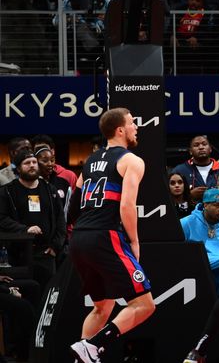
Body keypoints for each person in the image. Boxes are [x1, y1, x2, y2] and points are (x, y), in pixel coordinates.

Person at [67, 108, 156, 363]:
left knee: (102, 306)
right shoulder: (131, 160)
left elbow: (72, 209)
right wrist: (135, 241)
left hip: (80, 239)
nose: (136, 127)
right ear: (120, 130)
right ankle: (93, 346)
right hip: (104, 236)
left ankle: (83, 355)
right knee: (144, 305)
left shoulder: (89, 161)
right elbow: (126, 205)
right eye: (132, 123)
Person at [0, 151, 66, 288]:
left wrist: (55, 246)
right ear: (18, 168)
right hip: (18, 253)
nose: (32, 165)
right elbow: (2, 218)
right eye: (27, 163)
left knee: (47, 294)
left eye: (34, 162)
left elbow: (60, 219)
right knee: (25, 293)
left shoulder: (50, 189)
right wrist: (25, 230)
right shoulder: (7, 191)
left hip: (46, 253)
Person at [180, 189, 219, 296]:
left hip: (218, 272)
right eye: (217, 205)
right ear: (205, 205)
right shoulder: (186, 223)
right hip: (190, 268)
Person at [172, 135, 219, 202]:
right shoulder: (179, 170)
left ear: (210, 149)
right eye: (196, 145)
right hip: (189, 211)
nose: (201, 147)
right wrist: (189, 196)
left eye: (204, 144)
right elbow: (169, 196)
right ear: (190, 151)